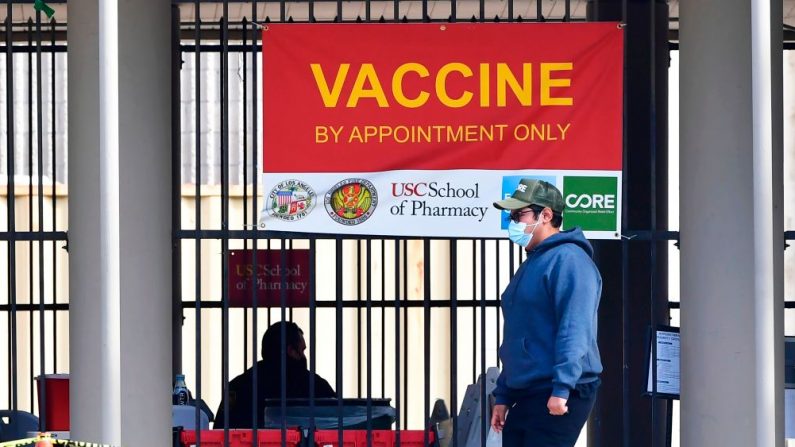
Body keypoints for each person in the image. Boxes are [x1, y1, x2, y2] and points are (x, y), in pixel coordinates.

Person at [490, 179, 602, 447]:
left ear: (547, 215)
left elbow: (575, 328)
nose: (513, 221)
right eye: (511, 215)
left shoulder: (569, 260)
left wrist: (562, 388)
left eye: (519, 214)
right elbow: (518, 334)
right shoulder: (534, 262)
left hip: (560, 389)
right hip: (529, 390)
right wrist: (504, 394)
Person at [214, 321, 336, 428]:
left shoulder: (239, 386)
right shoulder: (315, 385)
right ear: (291, 351)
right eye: (302, 350)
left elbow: (220, 431)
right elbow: (341, 422)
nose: (304, 356)